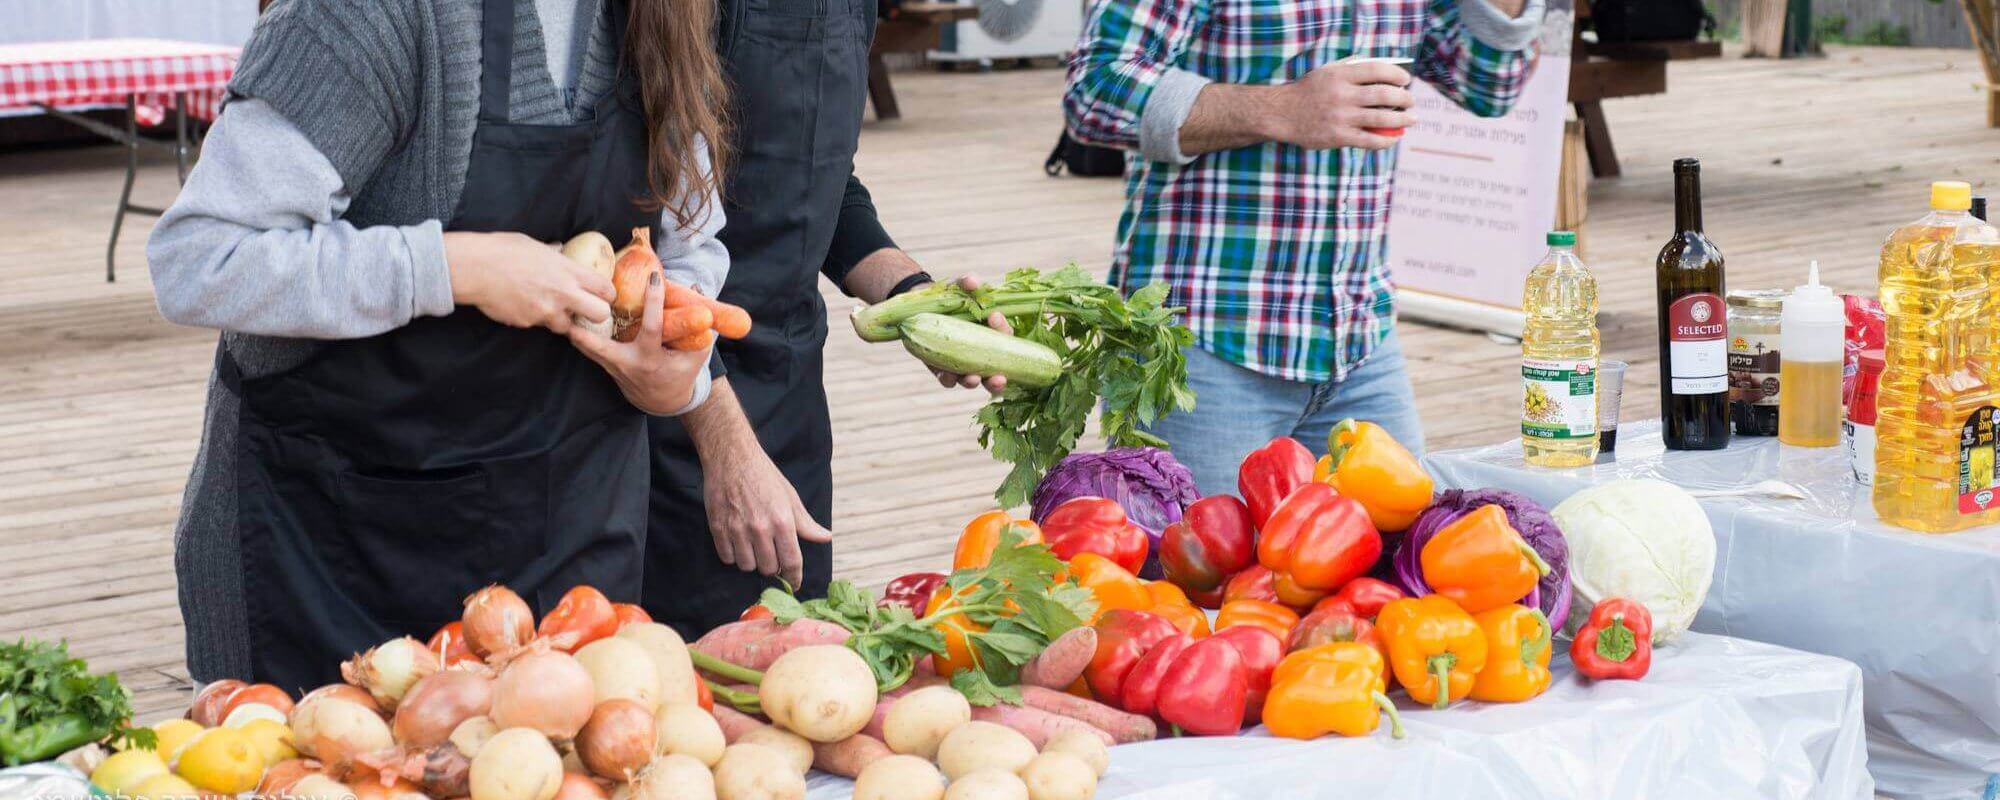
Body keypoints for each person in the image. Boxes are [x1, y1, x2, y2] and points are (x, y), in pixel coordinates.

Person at [148, 0, 727, 689]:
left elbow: (689, 248)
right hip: (338, 558)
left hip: (570, 540)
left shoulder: (664, 14)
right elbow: (200, 259)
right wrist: (454, 269)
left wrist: (675, 376)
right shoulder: (361, 16)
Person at [1063, 0, 1545, 495]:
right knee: (1196, 572)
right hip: (1201, 343)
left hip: (1359, 337)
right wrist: (1284, 108)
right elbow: (1095, 90)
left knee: (1400, 565)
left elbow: (1488, 86)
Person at [641, 0, 1004, 634]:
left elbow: (825, 183)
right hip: (672, 397)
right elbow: (643, 236)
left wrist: (917, 299)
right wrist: (727, 451)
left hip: (790, 387)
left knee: (797, 661)